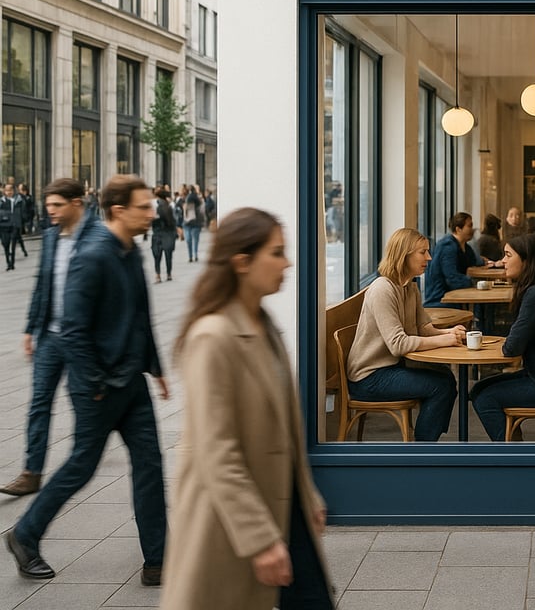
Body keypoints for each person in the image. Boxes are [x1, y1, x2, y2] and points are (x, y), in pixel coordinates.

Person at [160, 208, 333, 609]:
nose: (287, 262)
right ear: (242, 262)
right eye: (276, 253)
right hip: (234, 524)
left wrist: (308, 498)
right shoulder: (213, 336)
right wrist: (260, 539)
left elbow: (288, 433)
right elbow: (216, 450)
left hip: (283, 506)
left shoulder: (263, 324)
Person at [4, 175, 168, 585]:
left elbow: (141, 315)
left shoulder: (131, 252)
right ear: (119, 210)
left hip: (131, 382)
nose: (151, 213)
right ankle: (25, 535)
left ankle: (159, 560)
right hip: (99, 387)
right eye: (143, 207)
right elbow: (73, 330)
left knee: (149, 465)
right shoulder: (93, 256)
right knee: (82, 465)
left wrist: (157, 368)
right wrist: (95, 383)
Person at [0, 178, 96, 497]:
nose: (50, 211)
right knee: (39, 403)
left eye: (56, 205)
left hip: (81, 340)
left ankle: (84, 465)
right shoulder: (52, 236)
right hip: (50, 337)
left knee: (87, 407)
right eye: (48, 205)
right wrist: (30, 328)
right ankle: (32, 471)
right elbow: (42, 284)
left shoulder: (98, 237)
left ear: (76, 203)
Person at [347, 228, 465, 441]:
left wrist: (449, 332)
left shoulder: (410, 288)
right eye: (423, 252)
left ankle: (426, 441)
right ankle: (422, 450)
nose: (429, 257)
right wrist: (444, 340)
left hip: (392, 367)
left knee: (445, 375)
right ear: (404, 254)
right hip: (369, 377)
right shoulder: (383, 289)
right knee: (441, 385)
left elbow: (423, 328)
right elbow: (398, 345)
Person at [470, 234, 535, 441]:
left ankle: (513, 457)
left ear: (527, 260)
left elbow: (512, 348)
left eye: (507, 255)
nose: (503, 261)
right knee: (478, 389)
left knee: (485, 398)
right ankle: (515, 448)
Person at [424, 212, 491, 307]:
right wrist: (473, 282)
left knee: (481, 306)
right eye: (469, 226)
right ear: (458, 229)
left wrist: (487, 263)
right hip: (440, 299)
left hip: (454, 295)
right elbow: (452, 278)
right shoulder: (447, 247)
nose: (472, 229)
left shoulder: (464, 247)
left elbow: (475, 261)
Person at [151, 188, 180, 283]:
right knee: (168, 255)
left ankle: (158, 275)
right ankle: (168, 274)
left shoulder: (157, 206)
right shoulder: (168, 206)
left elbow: (152, 220)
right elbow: (172, 221)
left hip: (158, 233)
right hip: (167, 234)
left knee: (157, 256)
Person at [183, 184, 206, 262]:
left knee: (189, 240)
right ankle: (195, 254)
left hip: (188, 222)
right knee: (195, 239)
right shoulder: (198, 199)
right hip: (196, 222)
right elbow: (202, 211)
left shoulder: (186, 198)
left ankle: (191, 255)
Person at [0, 183, 19, 270]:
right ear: (4, 191)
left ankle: (12, 263)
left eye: (10, 190)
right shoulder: (1, 201)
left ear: (13, 191)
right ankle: (8, 261)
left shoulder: (18, 200)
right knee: (6, 244)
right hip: (4, 226)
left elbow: (22, 213)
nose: (9, 192)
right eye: (7, 190)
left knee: (13, 245)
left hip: (14, 225)